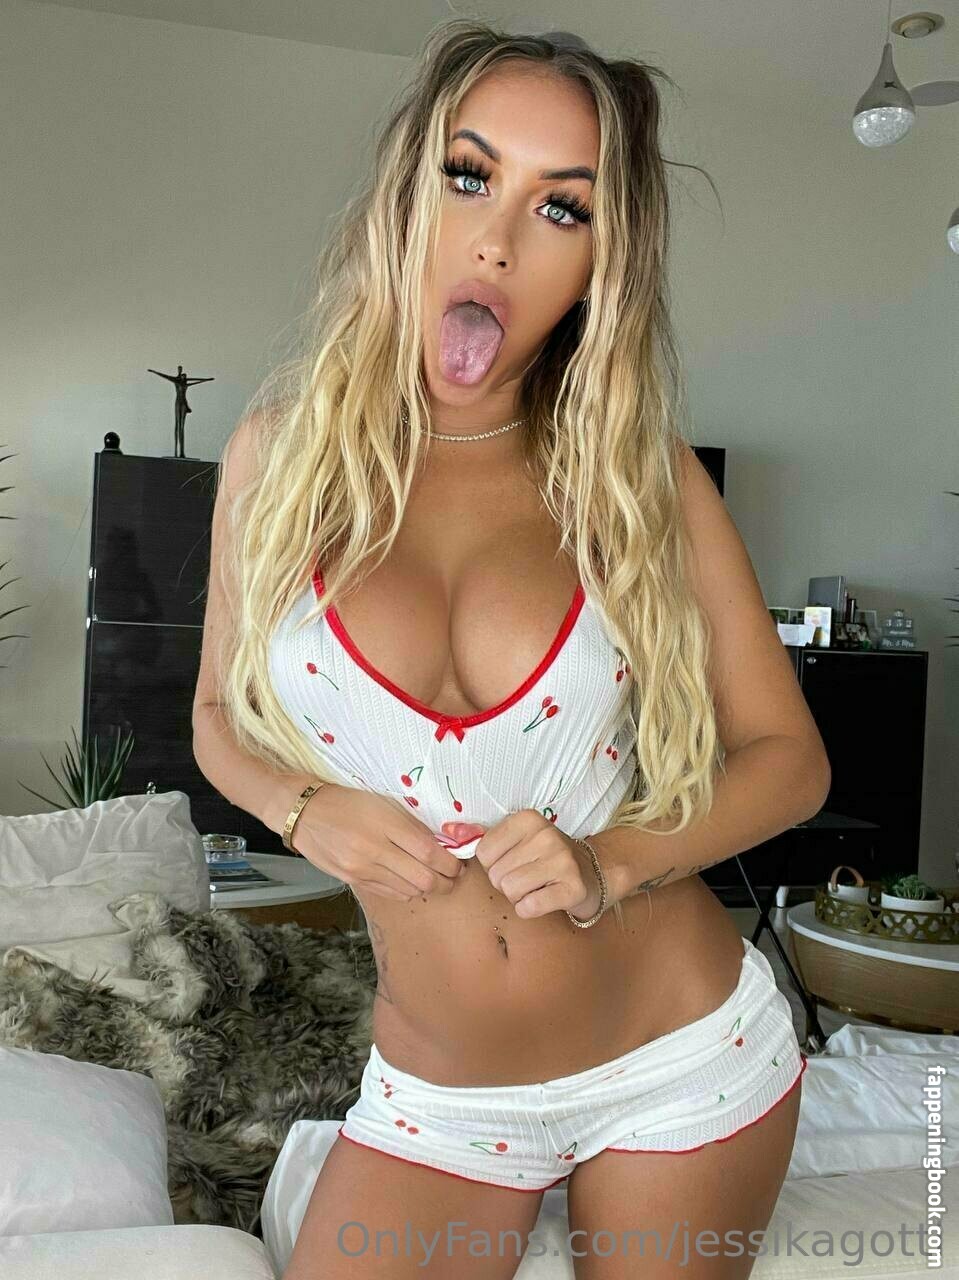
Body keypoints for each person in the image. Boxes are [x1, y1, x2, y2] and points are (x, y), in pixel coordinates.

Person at [193, 20, 831, 1279]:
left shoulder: (637, 478)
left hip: (678, 1059)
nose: (495, 238)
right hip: (443, 1097)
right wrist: (300, 806)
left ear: (599, 261)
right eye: (469, 174)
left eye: (560, 206)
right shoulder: (274, 460)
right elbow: (214, 714)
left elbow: (788, 758)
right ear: (406, 192)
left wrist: (609, 860)